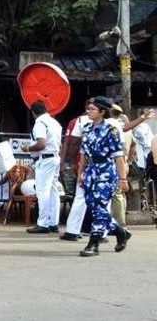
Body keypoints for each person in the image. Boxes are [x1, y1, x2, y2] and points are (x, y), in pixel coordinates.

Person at [77, 97, 132, 256]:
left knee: (100, 207)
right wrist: (81, 173)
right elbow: (83, 155)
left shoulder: (111, 130)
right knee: (93, 206)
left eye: (93, 109)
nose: (89, 111)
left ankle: (93, 243)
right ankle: (120, 232)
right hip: (90, 170)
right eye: (88, 108)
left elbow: (118, 156)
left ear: (102, 112)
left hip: (106, 171)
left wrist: (123, 179)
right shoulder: (86, 128)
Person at [22, 100, 62, 234]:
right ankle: (53, 222)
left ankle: (43, 223)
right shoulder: (54, 122)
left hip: (45, 159)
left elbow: (41, 144)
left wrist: (27, 148)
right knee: (53, 190)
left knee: (42, 191)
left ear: (33, 113)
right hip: (55, 157)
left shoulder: (40, 123)